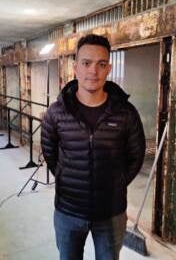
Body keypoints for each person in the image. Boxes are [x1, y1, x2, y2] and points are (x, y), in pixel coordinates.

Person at [41, 34, 146, 260]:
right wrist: (66, 176)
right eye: (86, 63)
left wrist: (115, 182)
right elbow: (50, 153)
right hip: (68, 210)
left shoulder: (125, 113)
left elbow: (135, 157)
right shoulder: (57, 112)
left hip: (111, 212)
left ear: (109, 68)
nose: (93, 71)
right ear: (75, 67)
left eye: (101, 64)